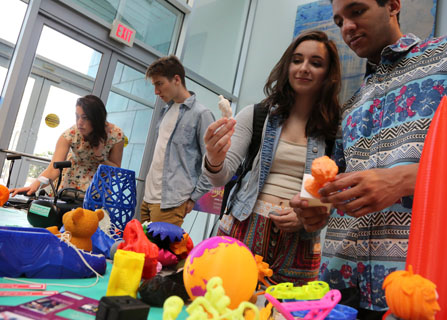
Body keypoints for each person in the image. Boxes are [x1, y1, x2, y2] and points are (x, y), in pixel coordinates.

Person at [291, 0, 447, 318]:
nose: (346, 27)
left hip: (436, 292)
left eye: (357, 11)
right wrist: (317, 209)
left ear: (392, 5)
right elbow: (338, 186)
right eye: (339, 21)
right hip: (344, 291)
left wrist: (403, 180)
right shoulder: (351, 103)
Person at [203, 30, 341, 285]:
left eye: (316, 63)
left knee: (286, 312)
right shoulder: (255, 115)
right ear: (287, 65)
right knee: (223, 307)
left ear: (328, 75)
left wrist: (307, 214)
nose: (304, 68)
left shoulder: (335, 131)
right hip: (243, 226)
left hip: (300, 243)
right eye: (297, 60)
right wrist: (213, 156)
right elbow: (219, 177)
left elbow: (334, 193)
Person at [141, 55, 215, 227]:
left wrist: (193, 197)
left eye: (159, 84)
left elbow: (212, 162)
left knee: (161, 253)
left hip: (172, 202)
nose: (156, 91)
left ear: (176, 79)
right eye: (154, 85)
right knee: (141, 252)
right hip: (148, 198)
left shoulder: (201, 114)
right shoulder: (165, 111)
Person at [10, 95, 124, 196]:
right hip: (70, 186)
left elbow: (115, 171)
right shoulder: (70, 134)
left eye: (85, 117)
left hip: (97, 191)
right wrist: (34, 186)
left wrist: (100, 158)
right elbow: (53, 169)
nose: (79, 122)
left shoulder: (116, 135)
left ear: (97, 118)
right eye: (77, 116)